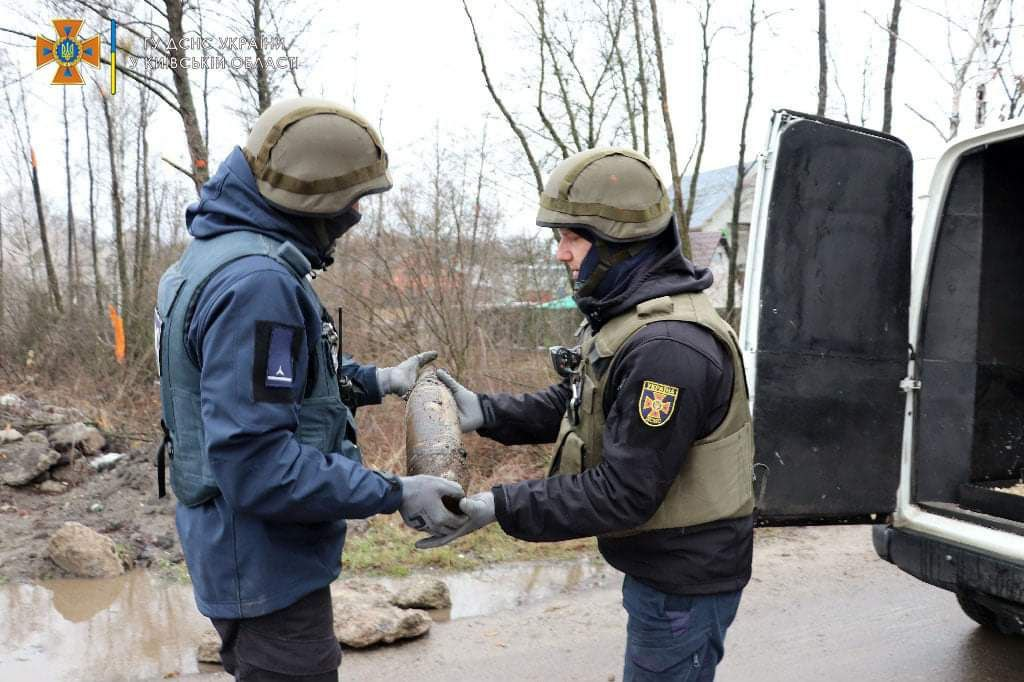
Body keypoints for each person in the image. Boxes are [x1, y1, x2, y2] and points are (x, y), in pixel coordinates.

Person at [155, 97, 464, 682]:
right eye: (351, 199)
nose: (357, 215)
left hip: (239, 553)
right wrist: (395, 491)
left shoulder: (211, 259)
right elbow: (258, 463)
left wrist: (378, 380)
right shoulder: (258, 283)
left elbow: (273, 388)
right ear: (309, 197)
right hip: (265, 567)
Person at [426, 148, 755, 681]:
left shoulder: (668, 350)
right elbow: (580, 401)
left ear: (619, 243)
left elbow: (623, 492)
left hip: (686, 577)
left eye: (572, 238)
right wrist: (485, 411)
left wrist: (499, 505)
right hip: (663, 564)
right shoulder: (628, 318)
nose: (561, 253)